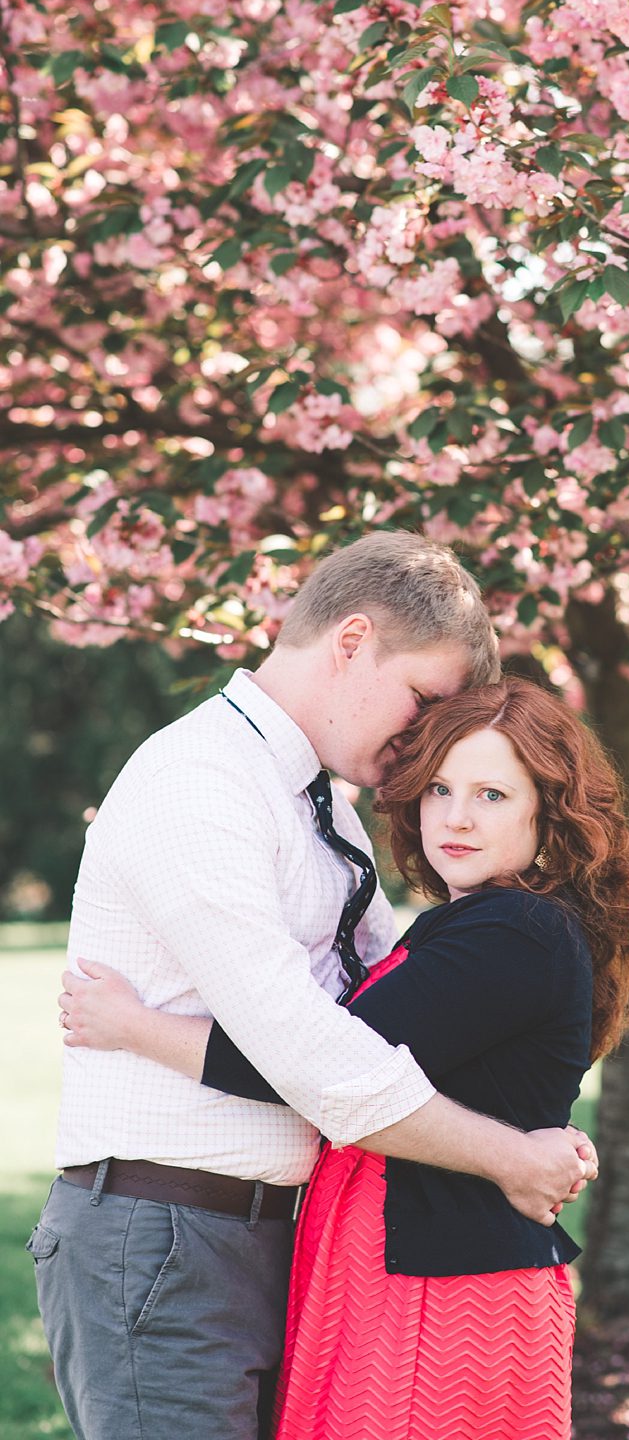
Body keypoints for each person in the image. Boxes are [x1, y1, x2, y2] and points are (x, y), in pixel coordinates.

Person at [33, 532, 595, 1440]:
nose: (420, 736)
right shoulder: (199, 781)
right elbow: (305, 1047)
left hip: (281, 1236)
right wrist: (511, 1158)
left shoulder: (321, 801)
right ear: (349, 642)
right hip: (164, 1231)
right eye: (421, 698)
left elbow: (382, 1012)